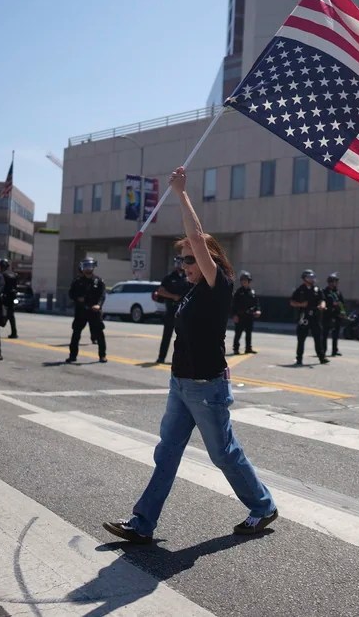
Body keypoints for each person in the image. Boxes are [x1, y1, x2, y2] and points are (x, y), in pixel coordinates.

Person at [103, 166, 278, 544]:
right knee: (166, 453)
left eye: (187, 259)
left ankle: (262, 506)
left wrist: (181, 193)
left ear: (207, 258)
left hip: (206, 386)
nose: (182, 265)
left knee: (224, 454)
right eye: (181, 260)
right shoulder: (193, 291)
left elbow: (197, 237)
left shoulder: (219, 285)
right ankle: (142, 523)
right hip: (181, 384)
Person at [66, 258, 106, 363]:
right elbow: (71, 293)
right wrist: (77, 298)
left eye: (90, 266)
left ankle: (102, 355)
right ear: (82, 268)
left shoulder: (98, 281)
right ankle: (72, 356)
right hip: (81, 311)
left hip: (94, 311)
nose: (88, 269)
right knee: (76, 333)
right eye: (86, 266)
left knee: (99, 333)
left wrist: (98, 305)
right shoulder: (77, 281)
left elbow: (102, 295)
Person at [155, 256, 191, 364]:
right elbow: (160, 291)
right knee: (167, 336)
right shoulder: (169, 277)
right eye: (177, 262)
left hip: (184, 312)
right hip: (171, 311)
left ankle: (183, 360)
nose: (179, 264)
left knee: (184, 338)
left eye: (181, 262)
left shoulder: (188, 277)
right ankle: (161, 357)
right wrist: (173, 296)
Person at [290, 269, 328, 366]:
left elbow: (322, 299)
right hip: (304, 317)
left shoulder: (317, 289)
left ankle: (322, 357)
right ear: (304, 279)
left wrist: (322, 305)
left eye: (313, 277)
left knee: (318, 338)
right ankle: (299, 358)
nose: (312, 279)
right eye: (310, 277)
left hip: (315, 316)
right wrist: (301, 304)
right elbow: (292, 302)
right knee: (301, 339)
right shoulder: (300, 290)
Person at [231, 271, 260, 355]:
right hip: (240, 315)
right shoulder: (238, 292)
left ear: (249, 281)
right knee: (238, 333)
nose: (244, 282)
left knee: (248, 333)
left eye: (246, 280)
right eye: (242, 280)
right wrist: (234, 315)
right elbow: (233, 305)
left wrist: (258, 310)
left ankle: (248, 348)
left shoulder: (252, 292)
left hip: (249, 316)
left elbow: (256, 303)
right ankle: (236, 348)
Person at [322, 273, 345, 357]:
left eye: (336, 281)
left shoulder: (338, 292)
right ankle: (323, 350)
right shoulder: (324, 291)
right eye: (334, 281)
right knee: (325, 333)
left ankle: (334, 350)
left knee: (336, 334)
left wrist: (343, 312)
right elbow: (322, 301)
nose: (335, 283)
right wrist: (332, 304)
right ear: (330, 282)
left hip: (337, 315)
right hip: (327, 315)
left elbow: (342, 303)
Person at [0, 259, 19, 339]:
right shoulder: (14, 274)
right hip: (12, 297)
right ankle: (14, 332)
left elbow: (1, 286)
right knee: (11, 315)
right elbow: (16, 286)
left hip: (4, 297)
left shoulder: (2, 274)